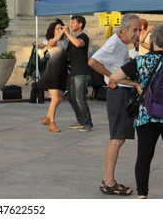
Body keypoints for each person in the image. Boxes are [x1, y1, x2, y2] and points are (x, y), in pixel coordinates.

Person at [88, 13, 141, 196]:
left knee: (119, 138)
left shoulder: (122, 44)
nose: (138, 33)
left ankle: (109, 181)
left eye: (139, 30)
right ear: (123, 29)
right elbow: (93, 61)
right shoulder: (113, 44)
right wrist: (110, 77)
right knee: (117, 138)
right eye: (135, 30)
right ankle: (108, 182)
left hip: (123, 93)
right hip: (118, 94)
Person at [109, 24, 163, 199]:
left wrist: (137, 84)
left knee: (144, 156)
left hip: (146, 115)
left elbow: (114, 77)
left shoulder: (141, 61)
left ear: (153, 40)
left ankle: (142, 195)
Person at [38, 18, 69, 132]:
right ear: (53, 31)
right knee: (55, 98)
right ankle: (52, 123)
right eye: (58, 29)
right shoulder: (51, 41)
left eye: (61, 28)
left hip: (61, 73)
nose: (60, 30)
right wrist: (63, 30)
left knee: (59, 99)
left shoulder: (64, 42)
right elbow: (51, 42)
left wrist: (67, 31)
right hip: (51, 73)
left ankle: (47, 118)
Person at [64, 15, 93, 132]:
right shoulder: (72, 38)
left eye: (73, 23)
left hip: (81, 72)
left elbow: (78, 44)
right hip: (73, 72)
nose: (71, 25)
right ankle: (80, 120)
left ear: (80, 24)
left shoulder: (83, 36)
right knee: (71, 98)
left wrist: (67, 33)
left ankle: (88, 123)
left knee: (80, 98)